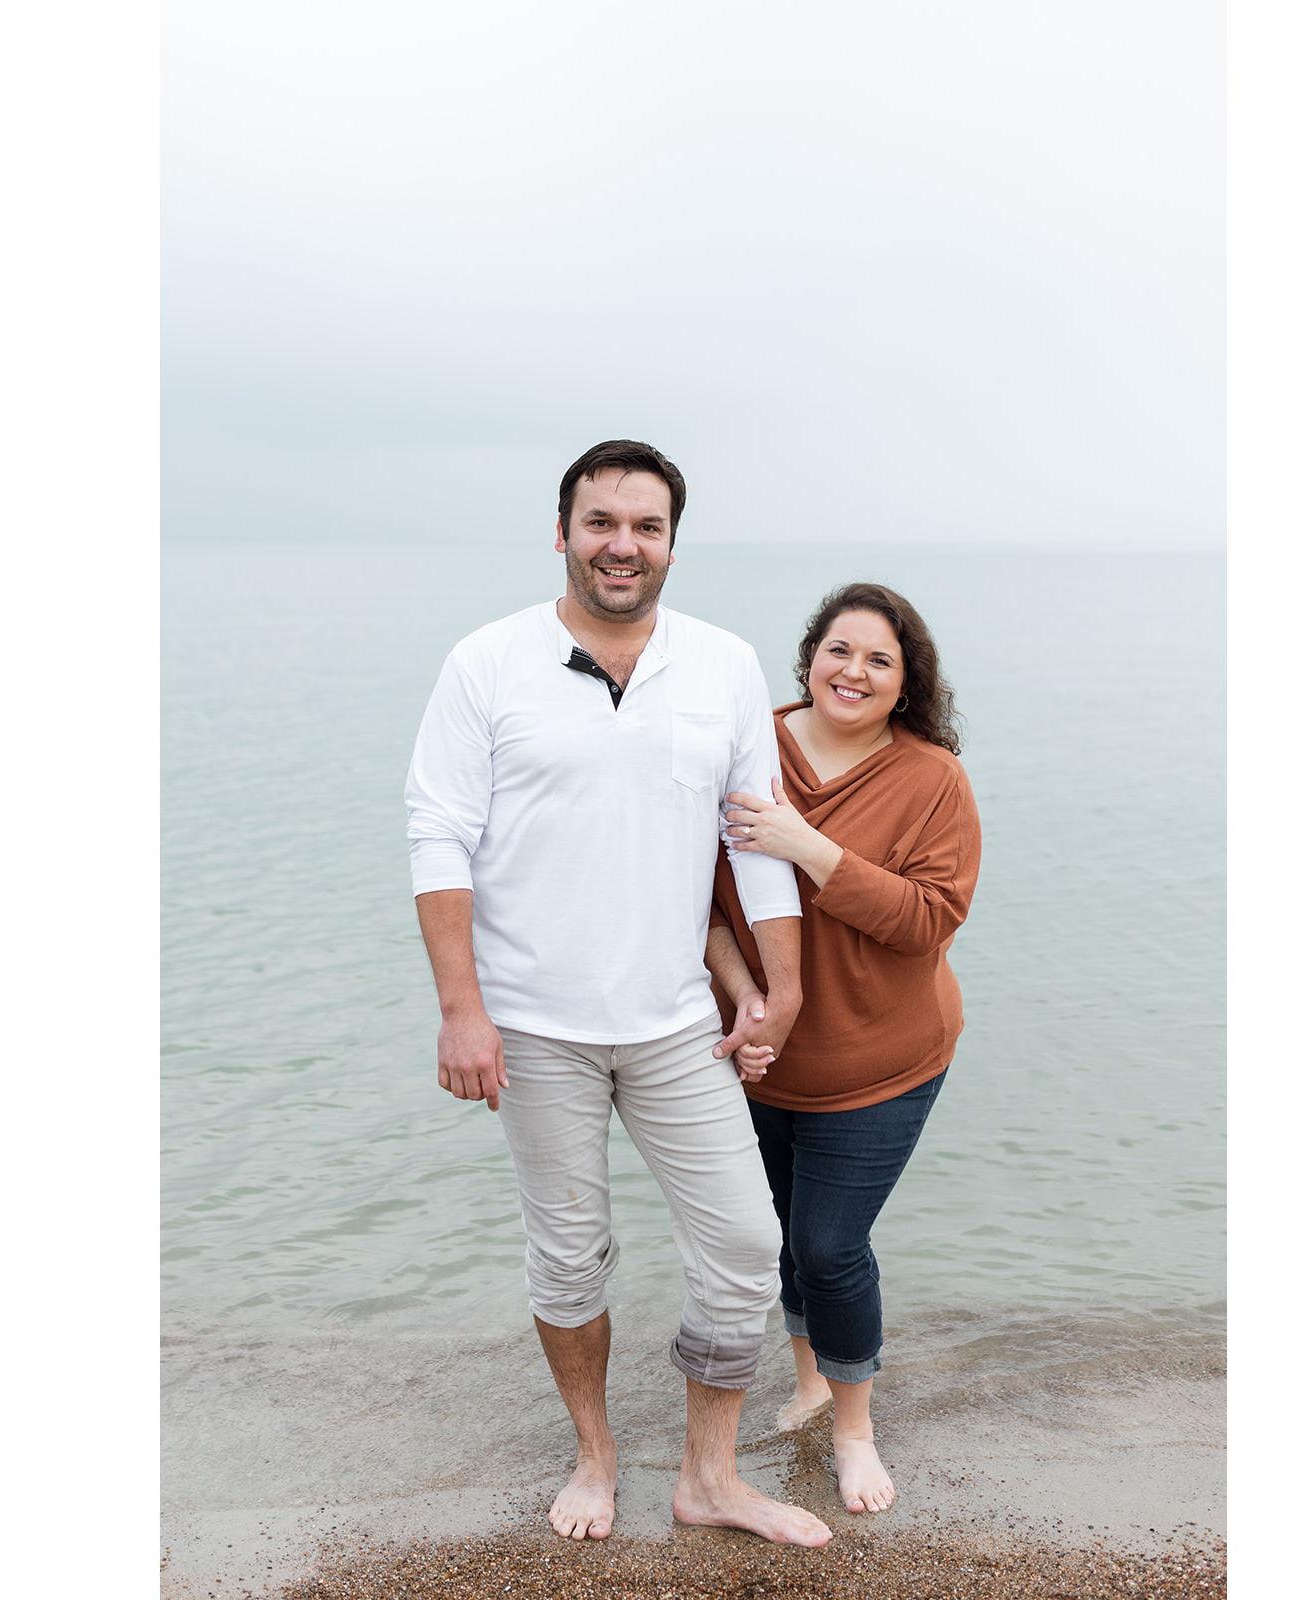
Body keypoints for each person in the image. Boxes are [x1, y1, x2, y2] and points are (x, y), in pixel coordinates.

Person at [404, 440, 831, 1547]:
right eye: (601, 522)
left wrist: (778, 990)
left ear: (672, 544)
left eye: (644, 526)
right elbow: (438, 835)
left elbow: (757, 841)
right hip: (533, 1023)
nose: (621, 545)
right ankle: (594, 1455)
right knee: (568, 1251)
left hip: (677, 1018)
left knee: (744, 1245)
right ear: (562, 532)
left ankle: (709, 1475)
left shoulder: (724, 664)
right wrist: (462, 1007)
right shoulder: (486, 661)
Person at [702, 581, 982, 1517]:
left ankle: (855, 1433)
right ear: (808, 658)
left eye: (878, 660)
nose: (853, 672)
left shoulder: (932, 778)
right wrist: (746, 1003)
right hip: (759, 1049)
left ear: (906, 685)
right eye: (838, 650)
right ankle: (812, 1380)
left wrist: (804, 845)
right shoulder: (754, 744)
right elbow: (692, 890)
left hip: (885, 1058)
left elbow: (927, 919)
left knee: (830, 1244)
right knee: (777, 1232)